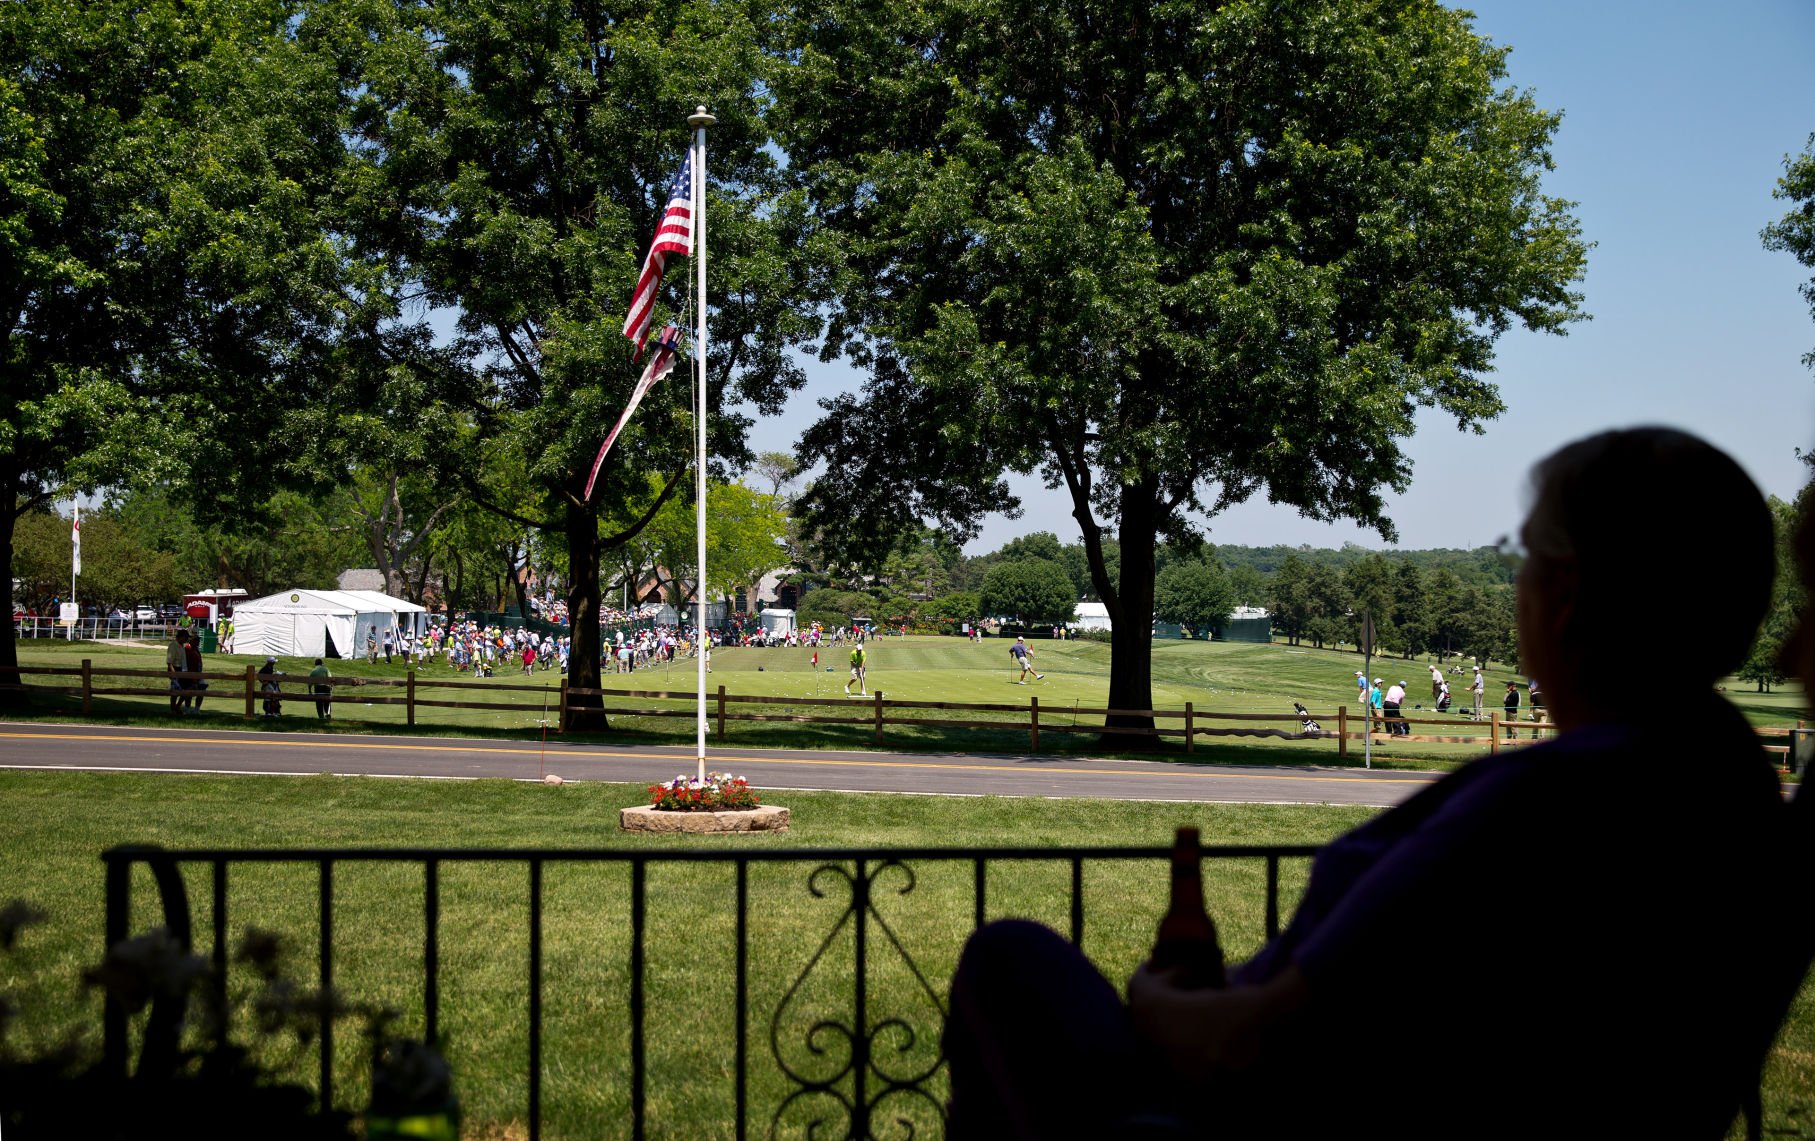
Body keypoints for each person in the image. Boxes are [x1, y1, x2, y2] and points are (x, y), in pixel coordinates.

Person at [943, 427, 1783, 1140]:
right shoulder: (1726, 780)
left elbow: (1250, 1046)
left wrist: (1156, 1000)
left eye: (1524, 553)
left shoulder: (1550, 802)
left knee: (1005, 957)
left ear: (1563, 596)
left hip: (1245, 1112)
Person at [182, 630, 207, 713]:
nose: (198, 642)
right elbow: (186, 663)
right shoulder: (187, 649)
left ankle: (197, 709)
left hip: (198, 674)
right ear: (191, 640)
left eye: (198, 640)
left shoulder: (196, 650)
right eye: (196, 640)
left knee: (202, 691)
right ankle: (187, 709)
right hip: (189, 674)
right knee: (189, 693)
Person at [165, 629, 188, 713]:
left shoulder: (182, 646)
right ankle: (173, 710)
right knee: (175, 691)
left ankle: (177, 707)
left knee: (185, 690)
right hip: (174, 669)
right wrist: (174, 674)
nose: (186, 640)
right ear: (181, 637)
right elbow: (169, 662)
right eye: (185, 638)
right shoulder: (173, 645)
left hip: (182, 670)